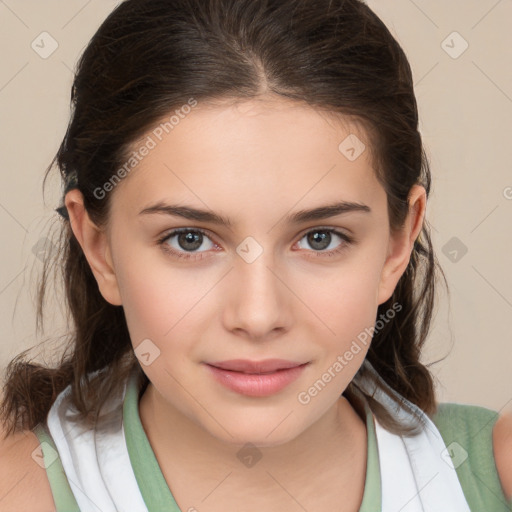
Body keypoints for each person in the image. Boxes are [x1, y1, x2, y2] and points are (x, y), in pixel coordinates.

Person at [0, 0, 511, 510]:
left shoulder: (496, 475)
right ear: (100, 248)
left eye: (320, 238)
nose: (258, 315)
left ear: (397, 244)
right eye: (190, 240)